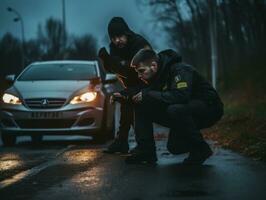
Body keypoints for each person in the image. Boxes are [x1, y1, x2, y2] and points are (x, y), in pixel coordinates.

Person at [126, 49, 224, 164]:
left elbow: (181, 96)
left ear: (153, 65)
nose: (139, 76)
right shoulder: (158, 75)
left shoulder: (180, 70)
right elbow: (147, 93)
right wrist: (124, 95)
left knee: (174, 109)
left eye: (141, 71)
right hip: (186, 109)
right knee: (174, 147)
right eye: (138, 72)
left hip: (210, 108)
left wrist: (148, 94)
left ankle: (200, 148)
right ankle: (146, 151)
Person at [98, 17, 152, 153]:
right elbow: (114, 69)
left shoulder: (139, 43)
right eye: (113, 37)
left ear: (126, 33)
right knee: (125, 104)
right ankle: (122, 141)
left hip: (147, 83)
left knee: (137, 110)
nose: (117, 41)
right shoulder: (114, 47)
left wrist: (118, 63)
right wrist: (106, 60)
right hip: (131, 85)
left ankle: (144, 146)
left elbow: (137, 68)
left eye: (120, 36)